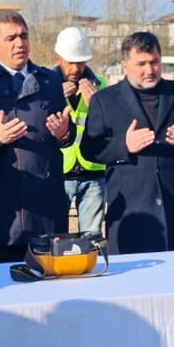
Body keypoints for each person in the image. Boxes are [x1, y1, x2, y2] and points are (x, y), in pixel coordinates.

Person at [0, 11, 73, 263]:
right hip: (4, 215)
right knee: (5, 281)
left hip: (47, 211)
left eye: (23, 36)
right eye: (11, 38)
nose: (20, 43)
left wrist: (64, 132)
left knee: (51, 280)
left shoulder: (50, 81)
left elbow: (67, 133)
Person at [80, 31, 174, 253]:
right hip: (130, 211)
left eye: (154, 62)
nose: (150, 70)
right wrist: (124, 146)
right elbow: (89, 149)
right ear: (125, 66)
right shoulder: (104, 100)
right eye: (141, 64)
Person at [53, 26, 106, 233]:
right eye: (71, 62)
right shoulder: (46, 86)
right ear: (57, 58)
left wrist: (97, 105)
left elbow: (111, 125)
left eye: (81, 62)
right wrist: (54, 97)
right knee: (56, 234)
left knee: (91, 238)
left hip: (93, 172)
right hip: (59, 172)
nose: (76, 68)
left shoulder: (101, 86)